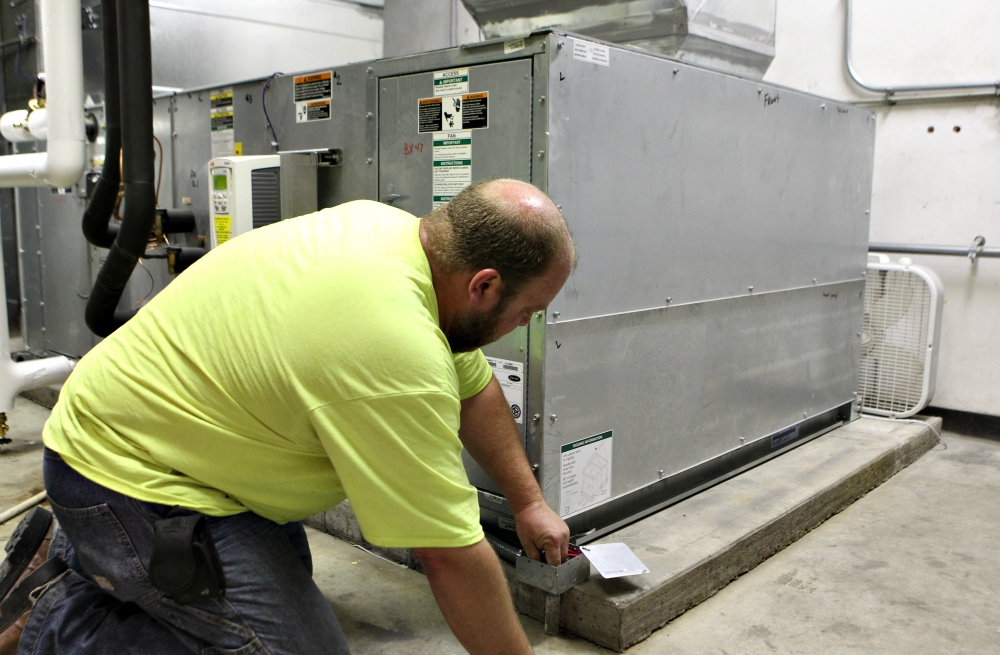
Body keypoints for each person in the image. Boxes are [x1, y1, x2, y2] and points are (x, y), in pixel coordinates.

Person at [0, 178, 576, 655]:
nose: (526, 324)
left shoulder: (399, 240)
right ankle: (53, 617)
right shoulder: (393, 342)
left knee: (267, 594)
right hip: (122, 475)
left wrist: (528, 503)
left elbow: (474, 391)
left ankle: (92, 564)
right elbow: (449, 556)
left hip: (186, 455)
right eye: (528, 311)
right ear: (484, 285)